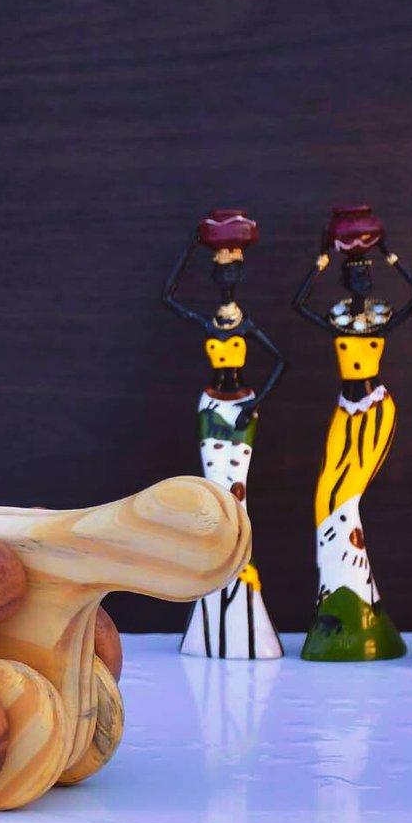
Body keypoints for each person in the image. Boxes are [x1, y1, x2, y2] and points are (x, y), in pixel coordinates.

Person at [291, 205, 412, 661]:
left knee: (345, 497)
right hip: (343, 411)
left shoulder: (383, 315)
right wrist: (322, 258)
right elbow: (298, 304)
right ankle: (341, 587)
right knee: (324, 494)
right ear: (345, 279)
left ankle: (352, 594)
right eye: (354, 273)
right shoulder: (338, 315)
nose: (361, 279)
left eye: (366, 273)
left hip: (375, 409)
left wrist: (389, 253)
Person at [161, 209, 286, 659]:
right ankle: (217, 577)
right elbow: (168, 297)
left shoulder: (245, 325)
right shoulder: (210, 322)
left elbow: (280, 362)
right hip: (212, 408)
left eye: (233, 270)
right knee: (217, 495)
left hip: (241, 409)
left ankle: (239, 573)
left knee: (238, 494)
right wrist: (191, 248)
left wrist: (256, 401)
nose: (226, 278)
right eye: (220, 270)